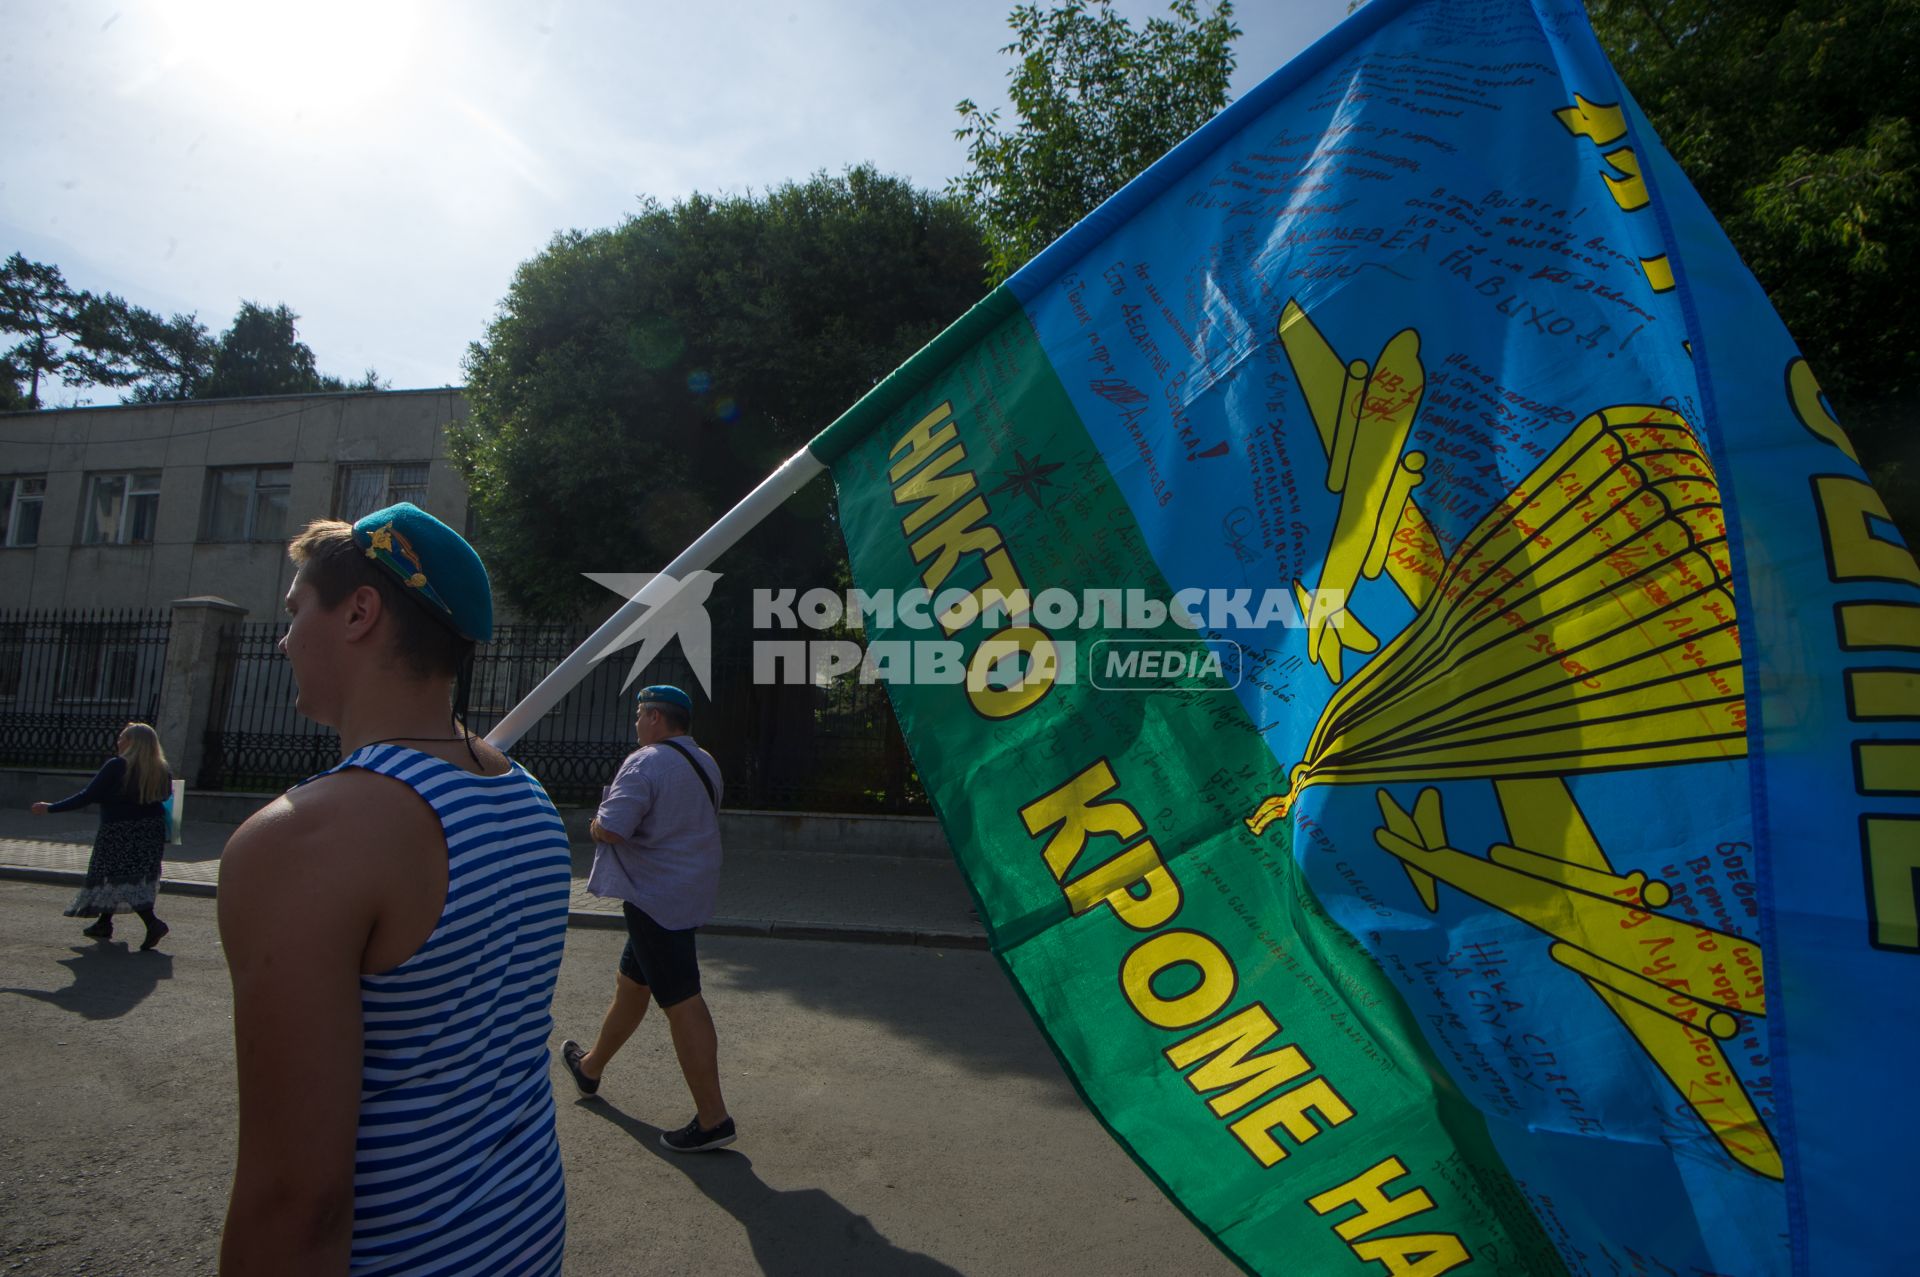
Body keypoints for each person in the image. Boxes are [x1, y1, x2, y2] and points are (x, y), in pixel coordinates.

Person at [215, 502, 572, 1276]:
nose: (282, 639)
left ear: (360, 611)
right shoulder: (532, 800)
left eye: (294, 609)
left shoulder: (302, 842)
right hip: (527, 1241)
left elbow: (295, 1202)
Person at [561, 683, 735, 1153]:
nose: (636, 722)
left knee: (683, 1000)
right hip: (685, 891)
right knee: (632, 985)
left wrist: (594, 823)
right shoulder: (705, 759)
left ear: (657, 718)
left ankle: (714, 1118)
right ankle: (590, 1067)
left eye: (640, 714)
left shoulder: (645, 762)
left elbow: (614, 829)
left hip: (656, 898)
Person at [32, 721, 173, 949]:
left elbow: (88, 796)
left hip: (118, 830)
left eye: (122, 737)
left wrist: (50, 807)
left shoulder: (117, 765)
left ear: (133, 742)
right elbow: (165, 795)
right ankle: (103, 923)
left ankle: (153, 923)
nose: (118, 742)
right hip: (150, 831)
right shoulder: (161, 768)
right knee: (132, 876)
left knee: (113, 876)